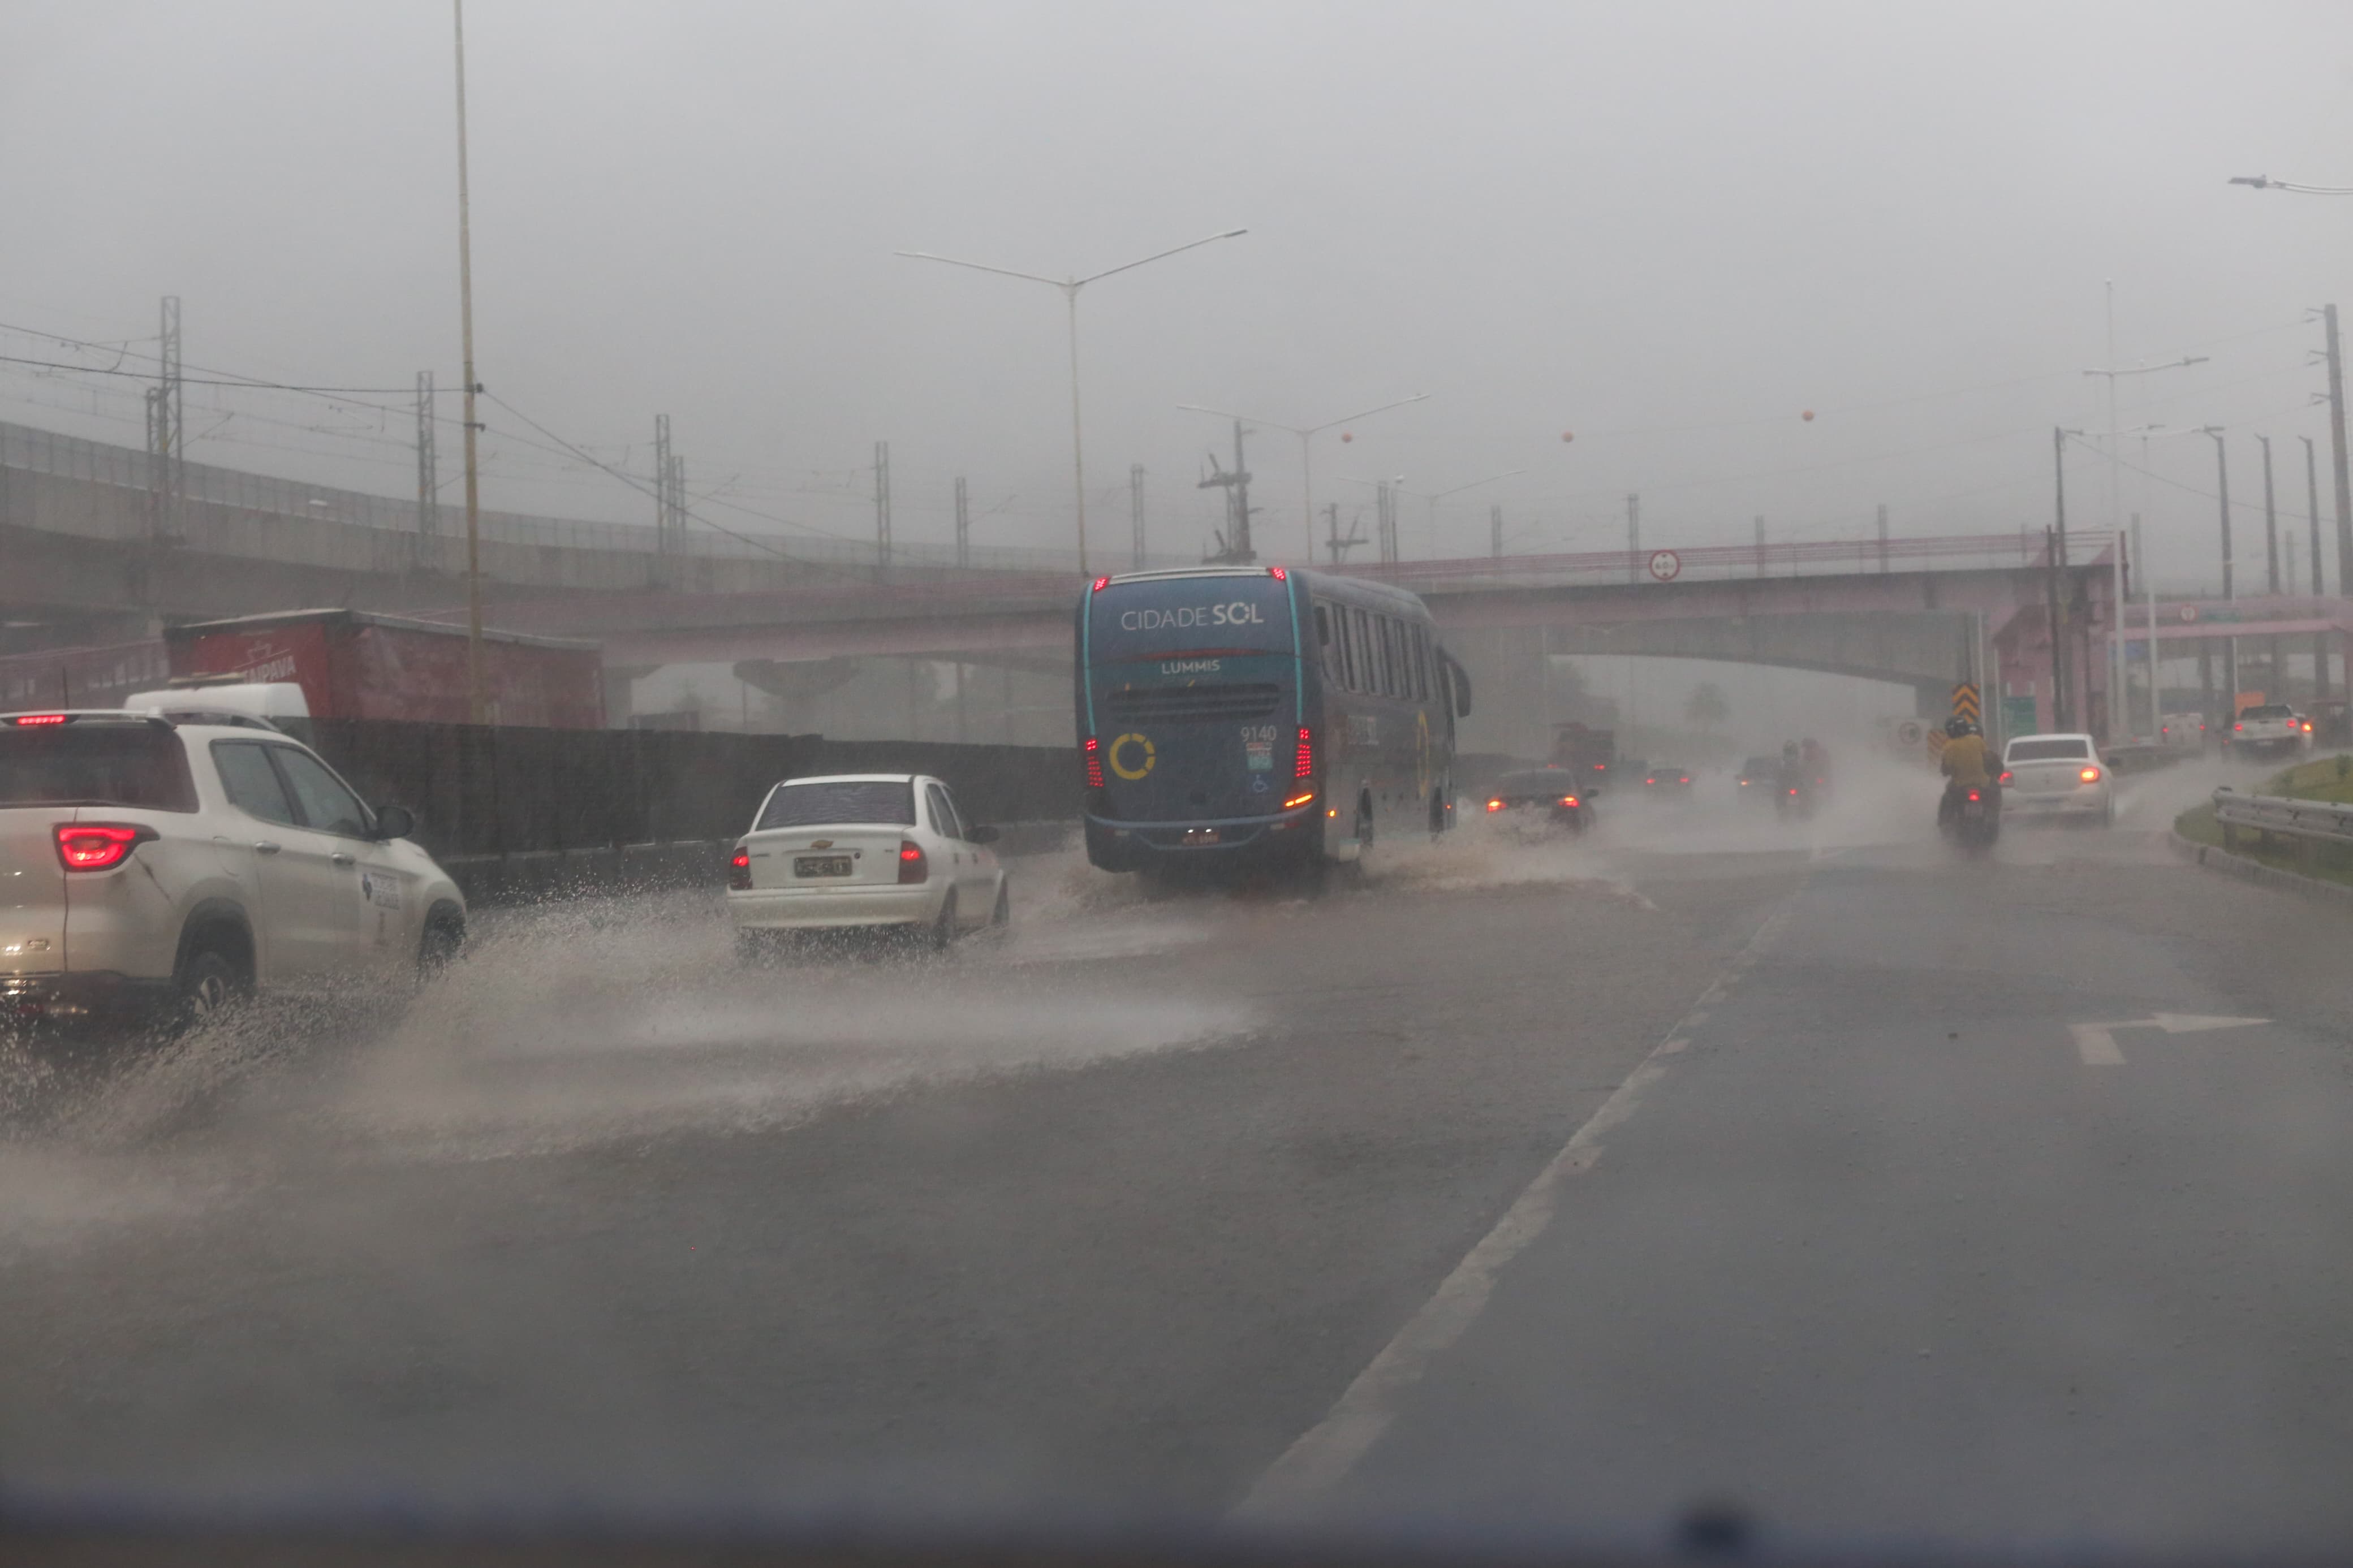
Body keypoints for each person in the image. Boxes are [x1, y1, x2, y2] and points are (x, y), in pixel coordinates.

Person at [1937, 716, 1995, 826]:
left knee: (1947, 800)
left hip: (1960, 785)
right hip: (1983, 783)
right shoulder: (1978, 740)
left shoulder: (1949, 747)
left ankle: (1944, 823)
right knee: (1991, 803)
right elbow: (1988, 757)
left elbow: (1946, 769)